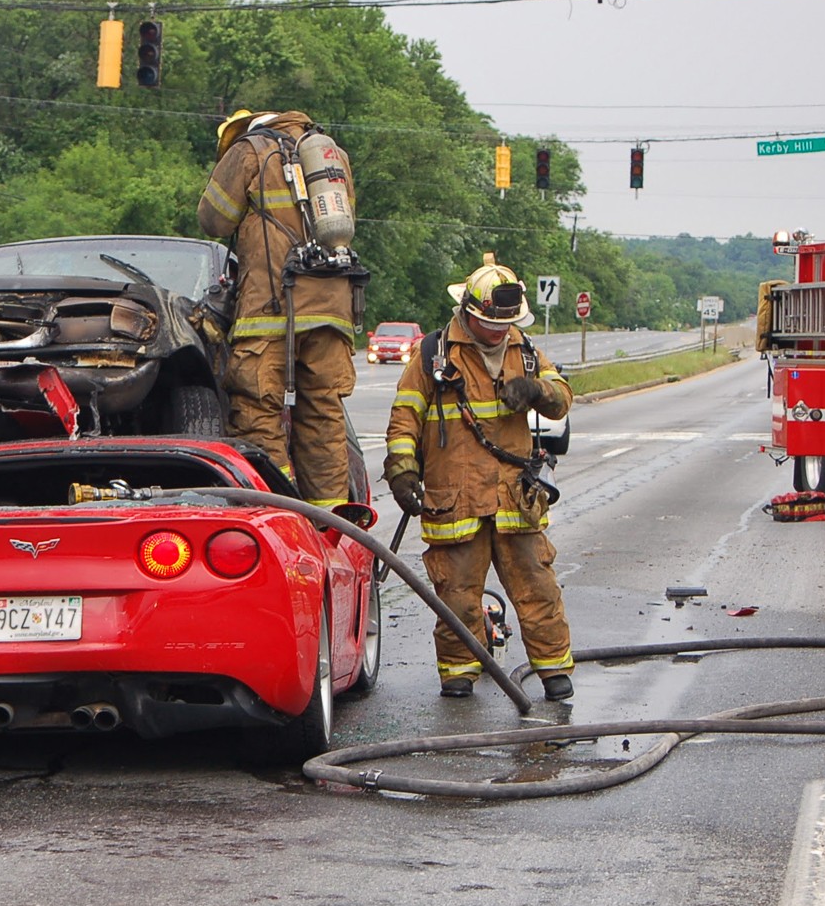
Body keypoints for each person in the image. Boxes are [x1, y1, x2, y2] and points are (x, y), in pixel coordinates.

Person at [381, 256, 576, 699]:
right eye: (491, 323)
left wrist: (535, 391)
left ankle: (554, 671)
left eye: (506, 324)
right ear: (468, 312)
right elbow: (405, 416)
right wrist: (402, 470)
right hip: (457, 498)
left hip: (514, 500)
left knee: (537, 586)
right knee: (456, 592)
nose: (499, 331)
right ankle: (459, 673)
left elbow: (561, 398)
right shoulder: (433, 354)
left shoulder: (524, 351)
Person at [197, 110, 363, 508]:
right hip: (332, 309)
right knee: (323, 416)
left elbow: (212, 221)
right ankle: (329, 522)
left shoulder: (250, 150)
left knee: (258, 411)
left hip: (271, 308)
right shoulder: (330, 155)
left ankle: (277, 510)